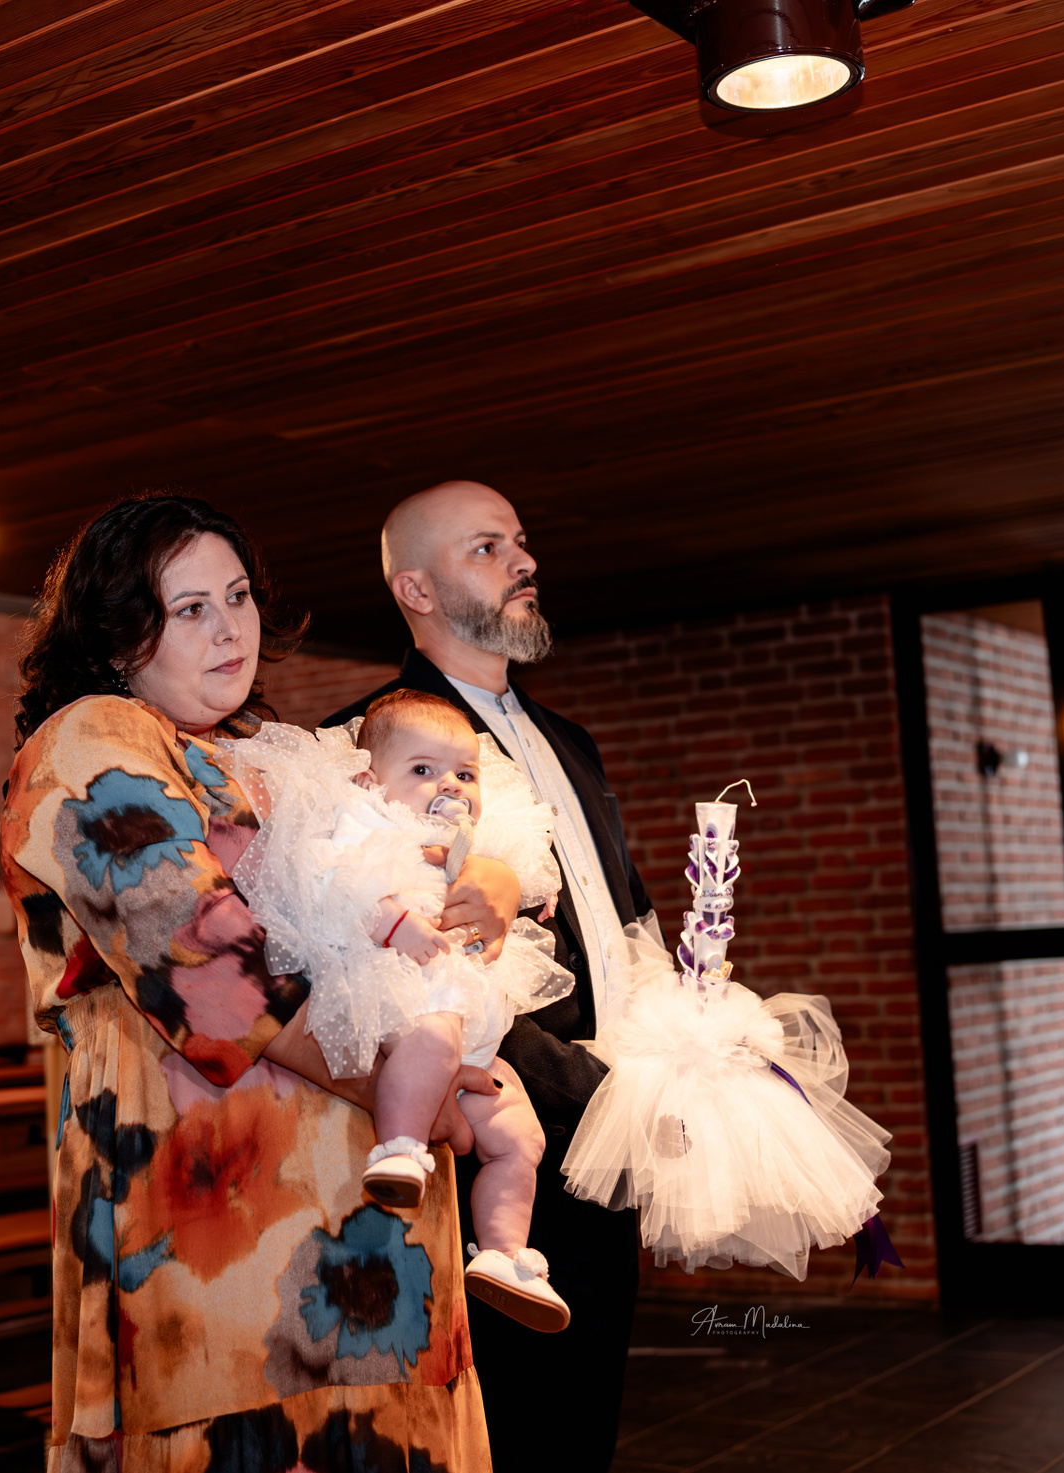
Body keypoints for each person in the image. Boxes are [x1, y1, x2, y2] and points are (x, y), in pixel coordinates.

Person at [2, 495, 513, 1472]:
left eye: (237, 597)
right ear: (118, 630)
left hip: (363, 1231)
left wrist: (484, 875)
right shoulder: (93, 734)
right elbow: (207, 964)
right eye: (190, 608)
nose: (230, 627)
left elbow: (399, 857)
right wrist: (405, 1092)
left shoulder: (257, 753)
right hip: (225, 1240)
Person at [322, 480, 655, 1473]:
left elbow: (615, 917)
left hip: (615, 1112)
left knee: (586, 1416)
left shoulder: (570, 742)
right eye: (487, 548)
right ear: (416, 589)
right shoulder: (364, 745)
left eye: (520, 542)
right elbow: (367, 950)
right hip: (485, 1123)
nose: (524, 561)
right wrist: (578, 1086)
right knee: (499, 1428)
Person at [221, 689, 574, 1331]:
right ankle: (400, 1149)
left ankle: (503, 1253)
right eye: (423, 769)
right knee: (433, 1039)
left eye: (465, 773)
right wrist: (393, 922)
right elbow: (326, 883)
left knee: (522, 1137)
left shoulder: (465, 844)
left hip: (469, 1024)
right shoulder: (363, 823)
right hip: (400, 994)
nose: (450, 785)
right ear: (369, 780)